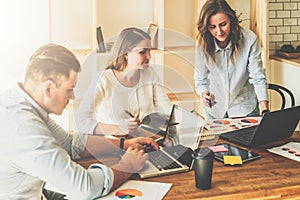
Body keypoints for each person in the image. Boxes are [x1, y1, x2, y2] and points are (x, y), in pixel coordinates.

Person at [0, 44, 159, 200]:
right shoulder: (23, 128)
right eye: (69, 89)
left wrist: (125, 144)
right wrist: (127, 166)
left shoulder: (21, 103)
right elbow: (84, 188)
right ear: (48, 89)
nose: (73, 97)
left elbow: (70, 144)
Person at [75, 27, 171, 136]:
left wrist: (187, 117)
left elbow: (167, 110)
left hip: (146, 141)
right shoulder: (103, 79)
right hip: (114, 146)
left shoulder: (150, 74)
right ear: (126, 53)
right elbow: (81, 121)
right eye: (142, 52)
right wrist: (119, 129)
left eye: (150, 51)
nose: (149, 56)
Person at [194, 0, 269, 119]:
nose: (219, 32)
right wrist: (204, 93)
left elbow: (258, 77)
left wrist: (265, 109)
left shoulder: (249, 40)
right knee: (217, 139)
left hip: (244, 107)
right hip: (215, 109)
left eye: (223, 24)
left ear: (231, 20)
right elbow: (200, 80)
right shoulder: (202, 45)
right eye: (212, 27)